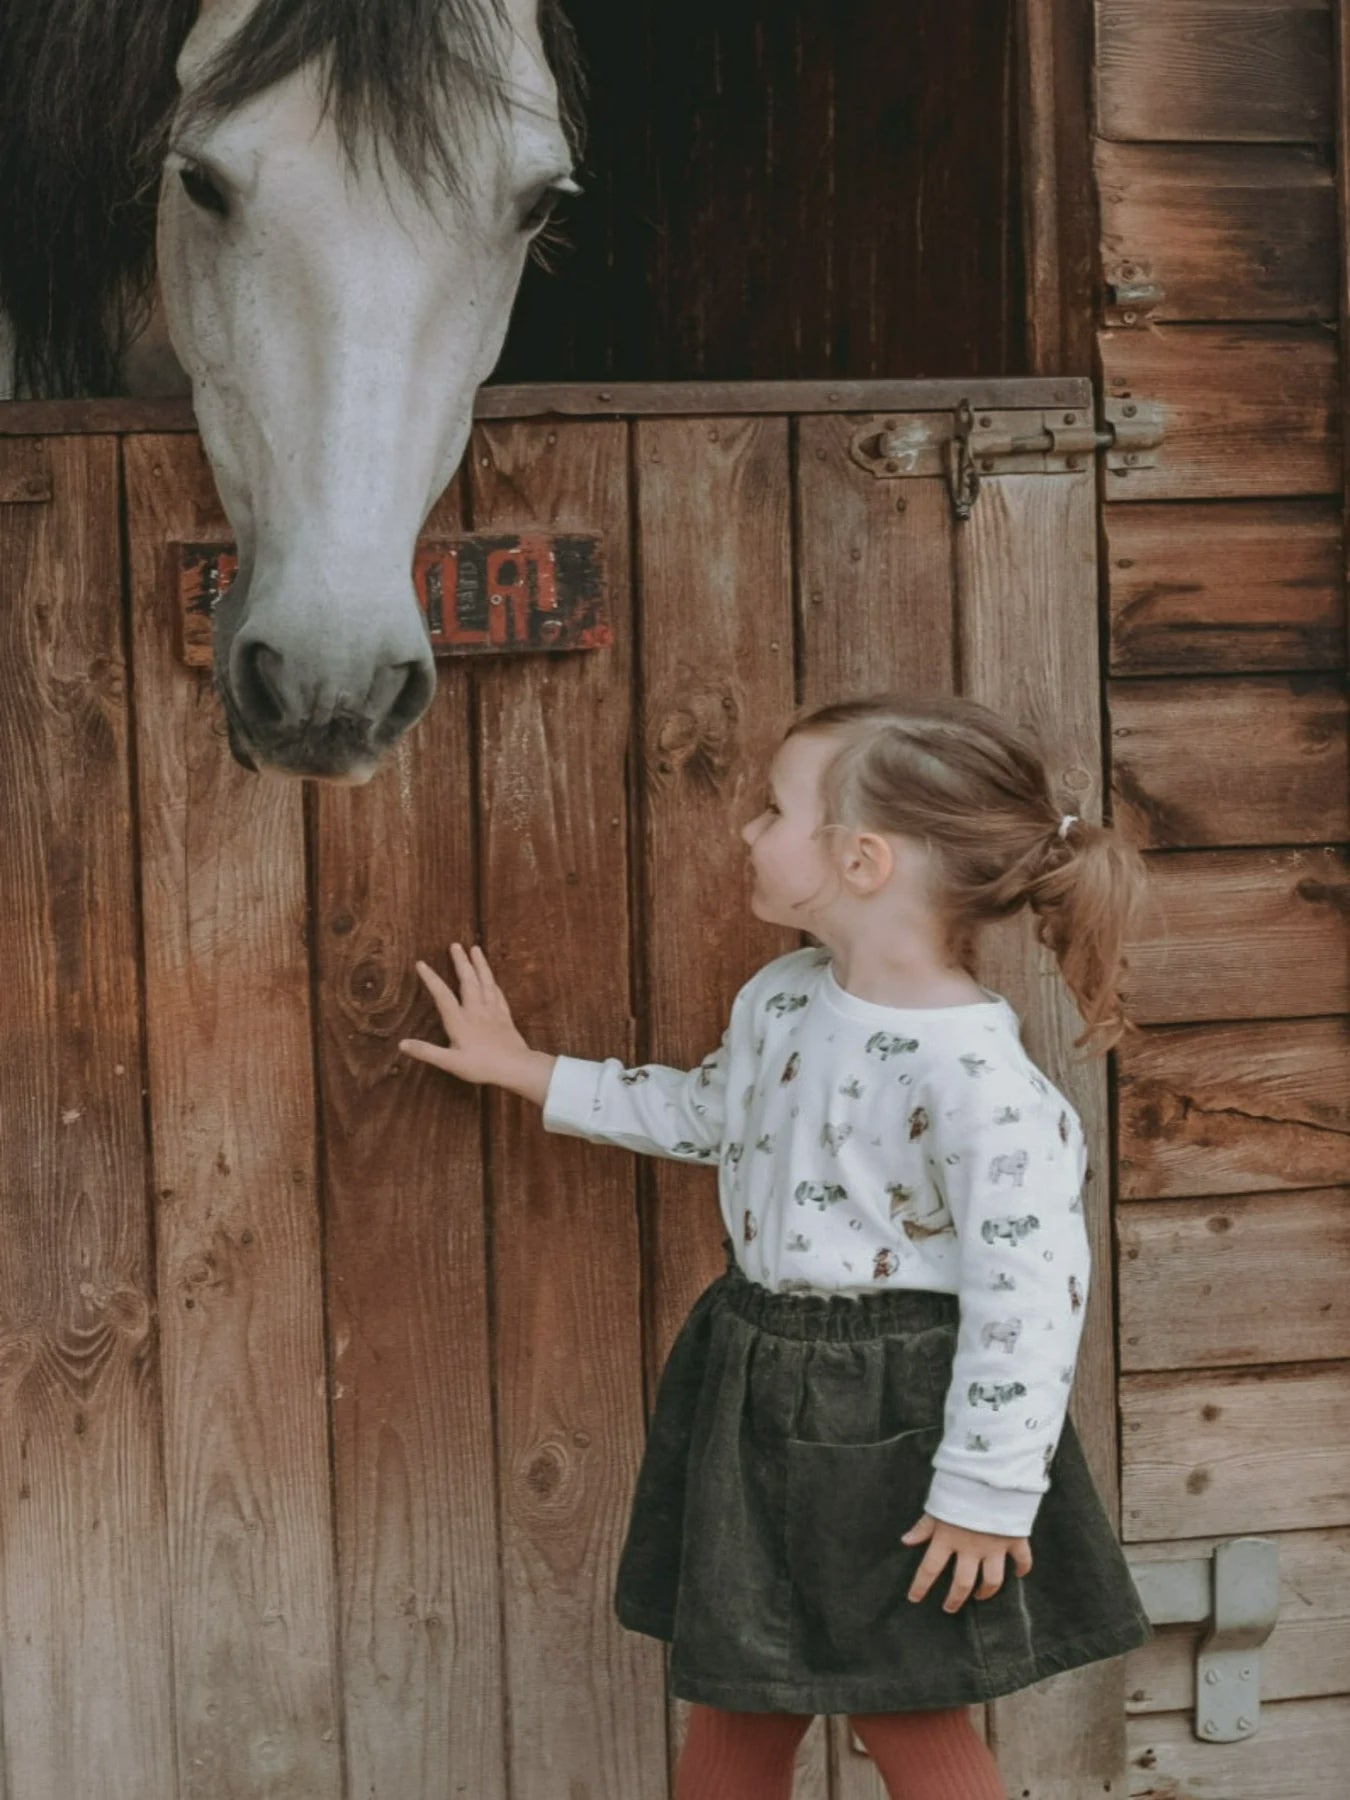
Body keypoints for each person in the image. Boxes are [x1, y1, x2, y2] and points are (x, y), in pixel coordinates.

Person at [400, 693, 1154, 1800]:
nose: (748, 830)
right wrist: (530, 1070)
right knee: (743, 1683)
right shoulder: (785, 1001)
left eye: (774, 808)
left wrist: (985, 1494)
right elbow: (716, 1115)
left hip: (895, 1418)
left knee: (911, 1709)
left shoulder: (981, 1083)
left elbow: (1030, 1303)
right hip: (753, 1378)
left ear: (861, 860)